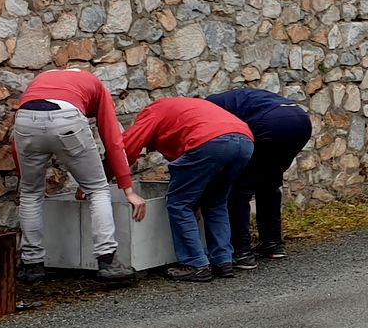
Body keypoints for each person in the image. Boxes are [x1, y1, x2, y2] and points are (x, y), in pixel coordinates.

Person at [13, 68, 145, 286]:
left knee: (30, 193)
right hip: (67, 117)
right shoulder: (97, 86)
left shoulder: (41, 80)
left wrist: (24, 173)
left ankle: (32, 266)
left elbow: (18, 142)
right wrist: (128, 189)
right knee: (97, 189)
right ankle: (108, 262)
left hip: (25, 118)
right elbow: (113, 141)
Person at [122, 96, 254, 281]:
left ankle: (196, 264)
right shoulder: (185, 110)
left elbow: (125, 147)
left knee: (179, 203)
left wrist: (100, 179)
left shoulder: (153, 111)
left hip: (209, 142)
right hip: (244, 140)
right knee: (215, 203)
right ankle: (223, 261)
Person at [205, 87, 314, 268]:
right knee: (269, 183)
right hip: (300, 119)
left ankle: (241, 251)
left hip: (270, 122)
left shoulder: (207, 106)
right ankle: (273, 243)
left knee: (239, 189)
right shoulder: (233, 97)